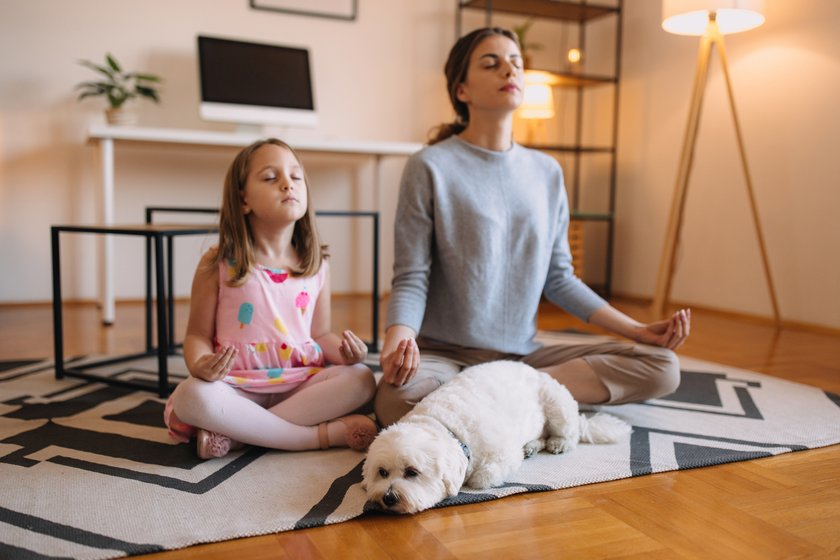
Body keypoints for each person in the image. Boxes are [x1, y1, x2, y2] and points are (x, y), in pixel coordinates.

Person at [374, 27, 691, 427]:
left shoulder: (547, 172)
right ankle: (521, 405)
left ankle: (491, 400)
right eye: (491, 63)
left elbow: (559, 279)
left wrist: (638, 330)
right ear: (462, 91)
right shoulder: (430, 166)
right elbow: (412, 277)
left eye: (516, 62)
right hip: (445, 355)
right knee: (395, 402)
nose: (509, 70)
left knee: (662, 366)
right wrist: (398, 341)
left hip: (521, 358)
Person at [165, 138, 377, 459]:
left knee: (361, 378)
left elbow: (320, 335)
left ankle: (240, 434)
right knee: (190, 397)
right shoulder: (218, 262)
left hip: (297, 385)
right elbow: (197, 334)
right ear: (244, 200)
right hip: (236, 386)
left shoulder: (317, 265)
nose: (287, 185)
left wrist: (348, 355)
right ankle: (317, 436)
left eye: (295, 176)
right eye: (270, 177)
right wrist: (200, 365)